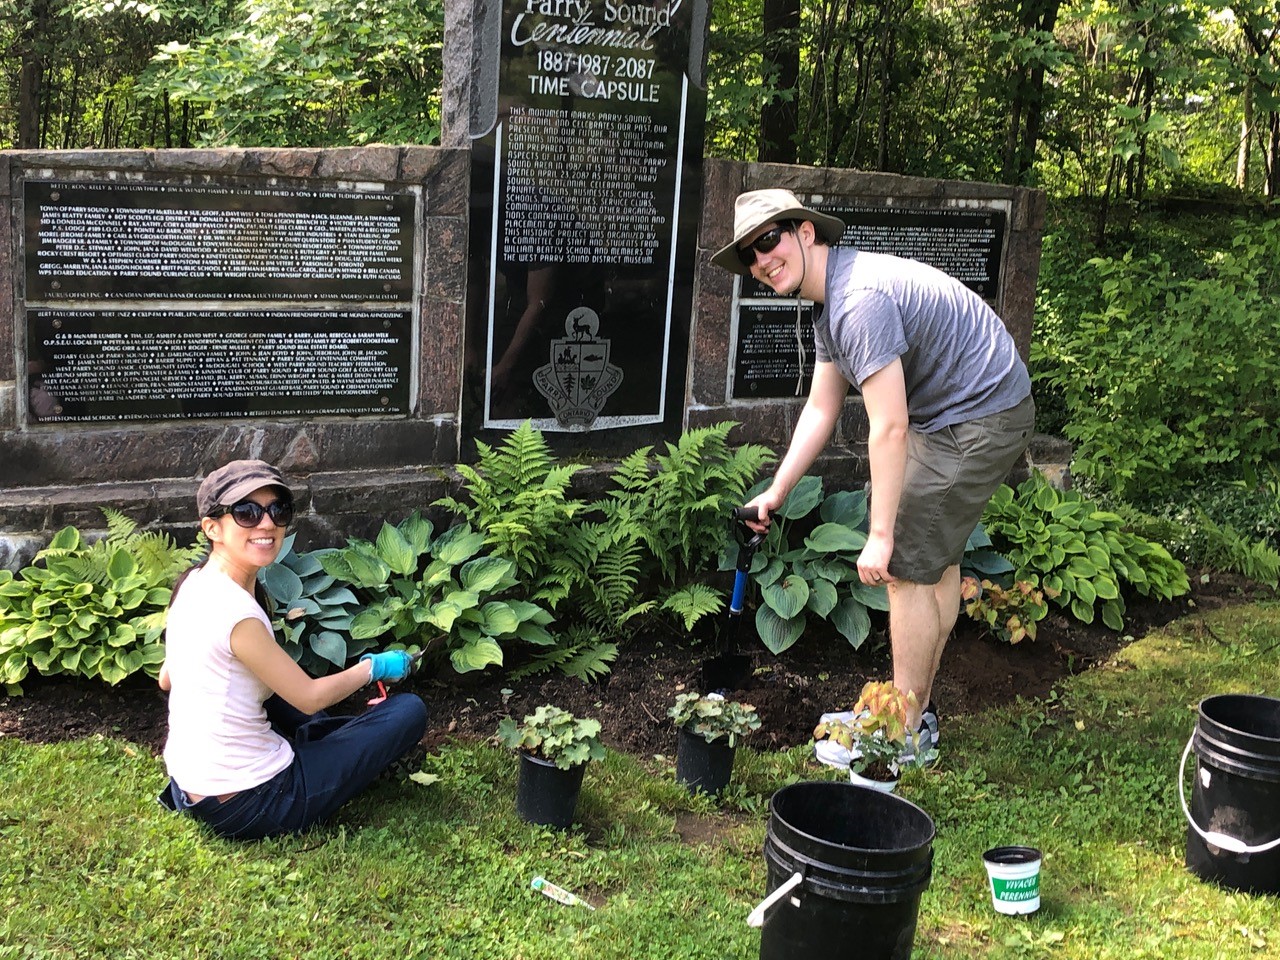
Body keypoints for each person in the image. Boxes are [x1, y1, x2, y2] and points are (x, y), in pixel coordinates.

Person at [711, 189, 1034, 767]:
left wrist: (881, 535)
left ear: (806, 233)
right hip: (964, 409)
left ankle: (902, 734)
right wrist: (778, 490)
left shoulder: (857, 300)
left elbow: (888, 427)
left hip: (980, 413)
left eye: (769, 241)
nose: (761, 261)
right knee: (934, 562)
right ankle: (911, 714)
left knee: (907, 563)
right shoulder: (831, 302)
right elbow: (821, 408)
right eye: (750, 256)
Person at [157, 459, 428, 840]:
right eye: (247, 512)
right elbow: (308, 698)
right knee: (408, 711)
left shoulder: (194, 583)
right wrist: (376, 666)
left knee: (283, 700)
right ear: (212, 527)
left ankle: (331, 743)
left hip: (192, 787)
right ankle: (338, 747)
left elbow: (167, 678)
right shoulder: (235, 612)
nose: (266, 523)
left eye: (277, 510)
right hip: (252, 803)